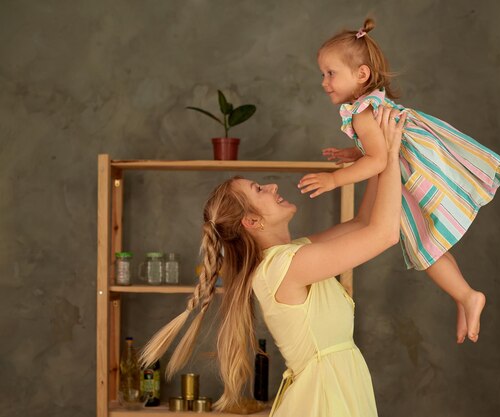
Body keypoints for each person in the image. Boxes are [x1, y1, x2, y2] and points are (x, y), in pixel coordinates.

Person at [139, 107, 407, 417]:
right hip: (322, 401)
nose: (273, 187)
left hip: (334, 390)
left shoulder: (292, 255)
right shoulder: (284, 267)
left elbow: (363, 223)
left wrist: (379, 155)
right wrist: (391, 153)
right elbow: (385, 234)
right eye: (259, 190)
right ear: (252, 221)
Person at [298, 17, 500, 344]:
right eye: (322, 74)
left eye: (330, 73)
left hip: (407, 172)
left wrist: (335, 180)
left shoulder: (362, 112)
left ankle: (467, 296)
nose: (324, 81)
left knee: (423, 241)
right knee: (425, 237)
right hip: (409, 163)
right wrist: (355, 154)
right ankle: (465, 296)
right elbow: (376, 148)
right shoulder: (369, 104)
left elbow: (380, 159)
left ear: (361, 74)